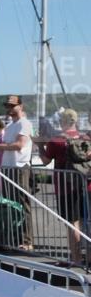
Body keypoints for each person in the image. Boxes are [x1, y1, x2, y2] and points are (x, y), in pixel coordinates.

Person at [37, 108, 89, 266]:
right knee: (85, 221)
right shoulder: (85, 138)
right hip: (84, 184)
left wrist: (39, 145)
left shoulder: (56, 141)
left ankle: (76, 258)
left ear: (62, 122)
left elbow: (45, 161)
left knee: (71, 223)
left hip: (65, 187)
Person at [0, 95, 33, 250]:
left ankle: (27, 240)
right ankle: (13, 237)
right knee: (9, 204)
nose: (9, 108)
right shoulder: (10, 126)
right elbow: (4, 144)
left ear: (20, 106)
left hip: (19, 167)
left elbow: (19, 145)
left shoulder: (24, 124)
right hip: (7, 168)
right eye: (7, 106)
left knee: (23, 204)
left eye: (12, 105)